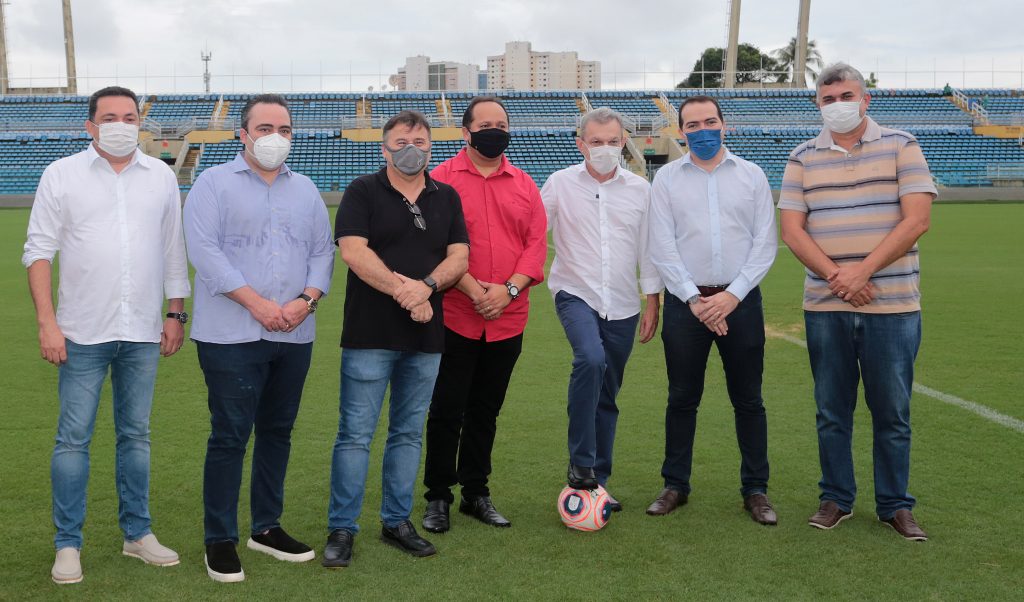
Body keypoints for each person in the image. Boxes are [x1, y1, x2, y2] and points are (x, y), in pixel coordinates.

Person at [23, 85, 189, 584]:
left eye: (130, 116)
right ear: (90, 125)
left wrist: (175, 313)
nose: (122, 124)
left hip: (140, 330)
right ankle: (68, 544)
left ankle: (138, 534)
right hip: (80, 332)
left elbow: (172, 248)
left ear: (141, 123)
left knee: (136, 436)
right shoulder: (61, 174)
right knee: (73, 440)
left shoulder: (160, 176)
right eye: (110, 116)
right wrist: (47, 323)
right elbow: (38, 251)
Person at [779, 62, 936, 541]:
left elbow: (916, 220)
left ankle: (894, 505)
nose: (837, 106)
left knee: (892, 411)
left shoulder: (902, 146)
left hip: (893, 305)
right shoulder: (802, 157)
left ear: (866, 100)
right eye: (828, 99)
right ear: (817, 105)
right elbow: (791, 230)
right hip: (826, 307)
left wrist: (861, 272)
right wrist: (836, 276)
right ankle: (836, 499)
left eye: (846, 96)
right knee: (832, 410)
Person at [183, 93, 335, 582]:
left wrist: (305, 301)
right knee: (230, 436)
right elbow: (204, 252)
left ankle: (266, 527)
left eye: (285, 130)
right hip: (230, 335)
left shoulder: (306, 189)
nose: (275, 138)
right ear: (242, 134)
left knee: (277, 432)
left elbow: (321, 254)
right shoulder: (212, 183)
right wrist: (259, 305)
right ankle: (220, 538)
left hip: (294, 332)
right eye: (265, 128)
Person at [324, 110, 469, 568]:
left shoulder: (446, 196)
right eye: (403, 140)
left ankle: (396, 522)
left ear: (432, 146)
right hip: (369, 333)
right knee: (355, 436)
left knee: (407, 434)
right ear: (384, 147)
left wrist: (425, 287)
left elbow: (459, 256)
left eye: (422, 140)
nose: (413, 147)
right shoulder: (363, 190)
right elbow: (353, 251)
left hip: (426, 337)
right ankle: (342, 528)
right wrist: (408, 293)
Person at [647, 95, 778, 525]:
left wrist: (732, 296)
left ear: (724, 124)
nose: (702, 131)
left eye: (710, 122)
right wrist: (694, 299)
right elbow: (662, 245)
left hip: (740, 302)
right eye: (692, 125)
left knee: (749, 400)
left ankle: (755, 490)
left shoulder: (752, 176)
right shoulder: (665, 179)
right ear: (680, 131)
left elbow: (765, 244)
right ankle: (675, 485)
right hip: (688, 306)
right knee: (682, 398)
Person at [420, 96, 547, 534]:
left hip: (509, 318)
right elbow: (434, 246)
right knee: (446, 410)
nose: (494, 130)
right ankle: (438, 496)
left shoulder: (525, 184)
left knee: (485, 411)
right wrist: (476, 290)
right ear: (465, 131)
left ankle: (476, 492)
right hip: (455, 315)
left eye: (501, 123)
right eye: (485, 123)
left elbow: (535, 246)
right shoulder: (438, 179)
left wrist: (509, 290)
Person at [540, 107, 662, 511]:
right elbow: (532, 231)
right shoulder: (559, 184)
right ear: (581, 144)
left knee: (608, 392)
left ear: (623, 142)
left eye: (613, 141)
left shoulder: (640, 189)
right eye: (596, 142)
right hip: (575, 292)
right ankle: (580, 464)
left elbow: (648, 248)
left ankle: (598, 482)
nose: (605, 149)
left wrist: (652, 300)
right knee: (590, 360)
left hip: (625, 302)